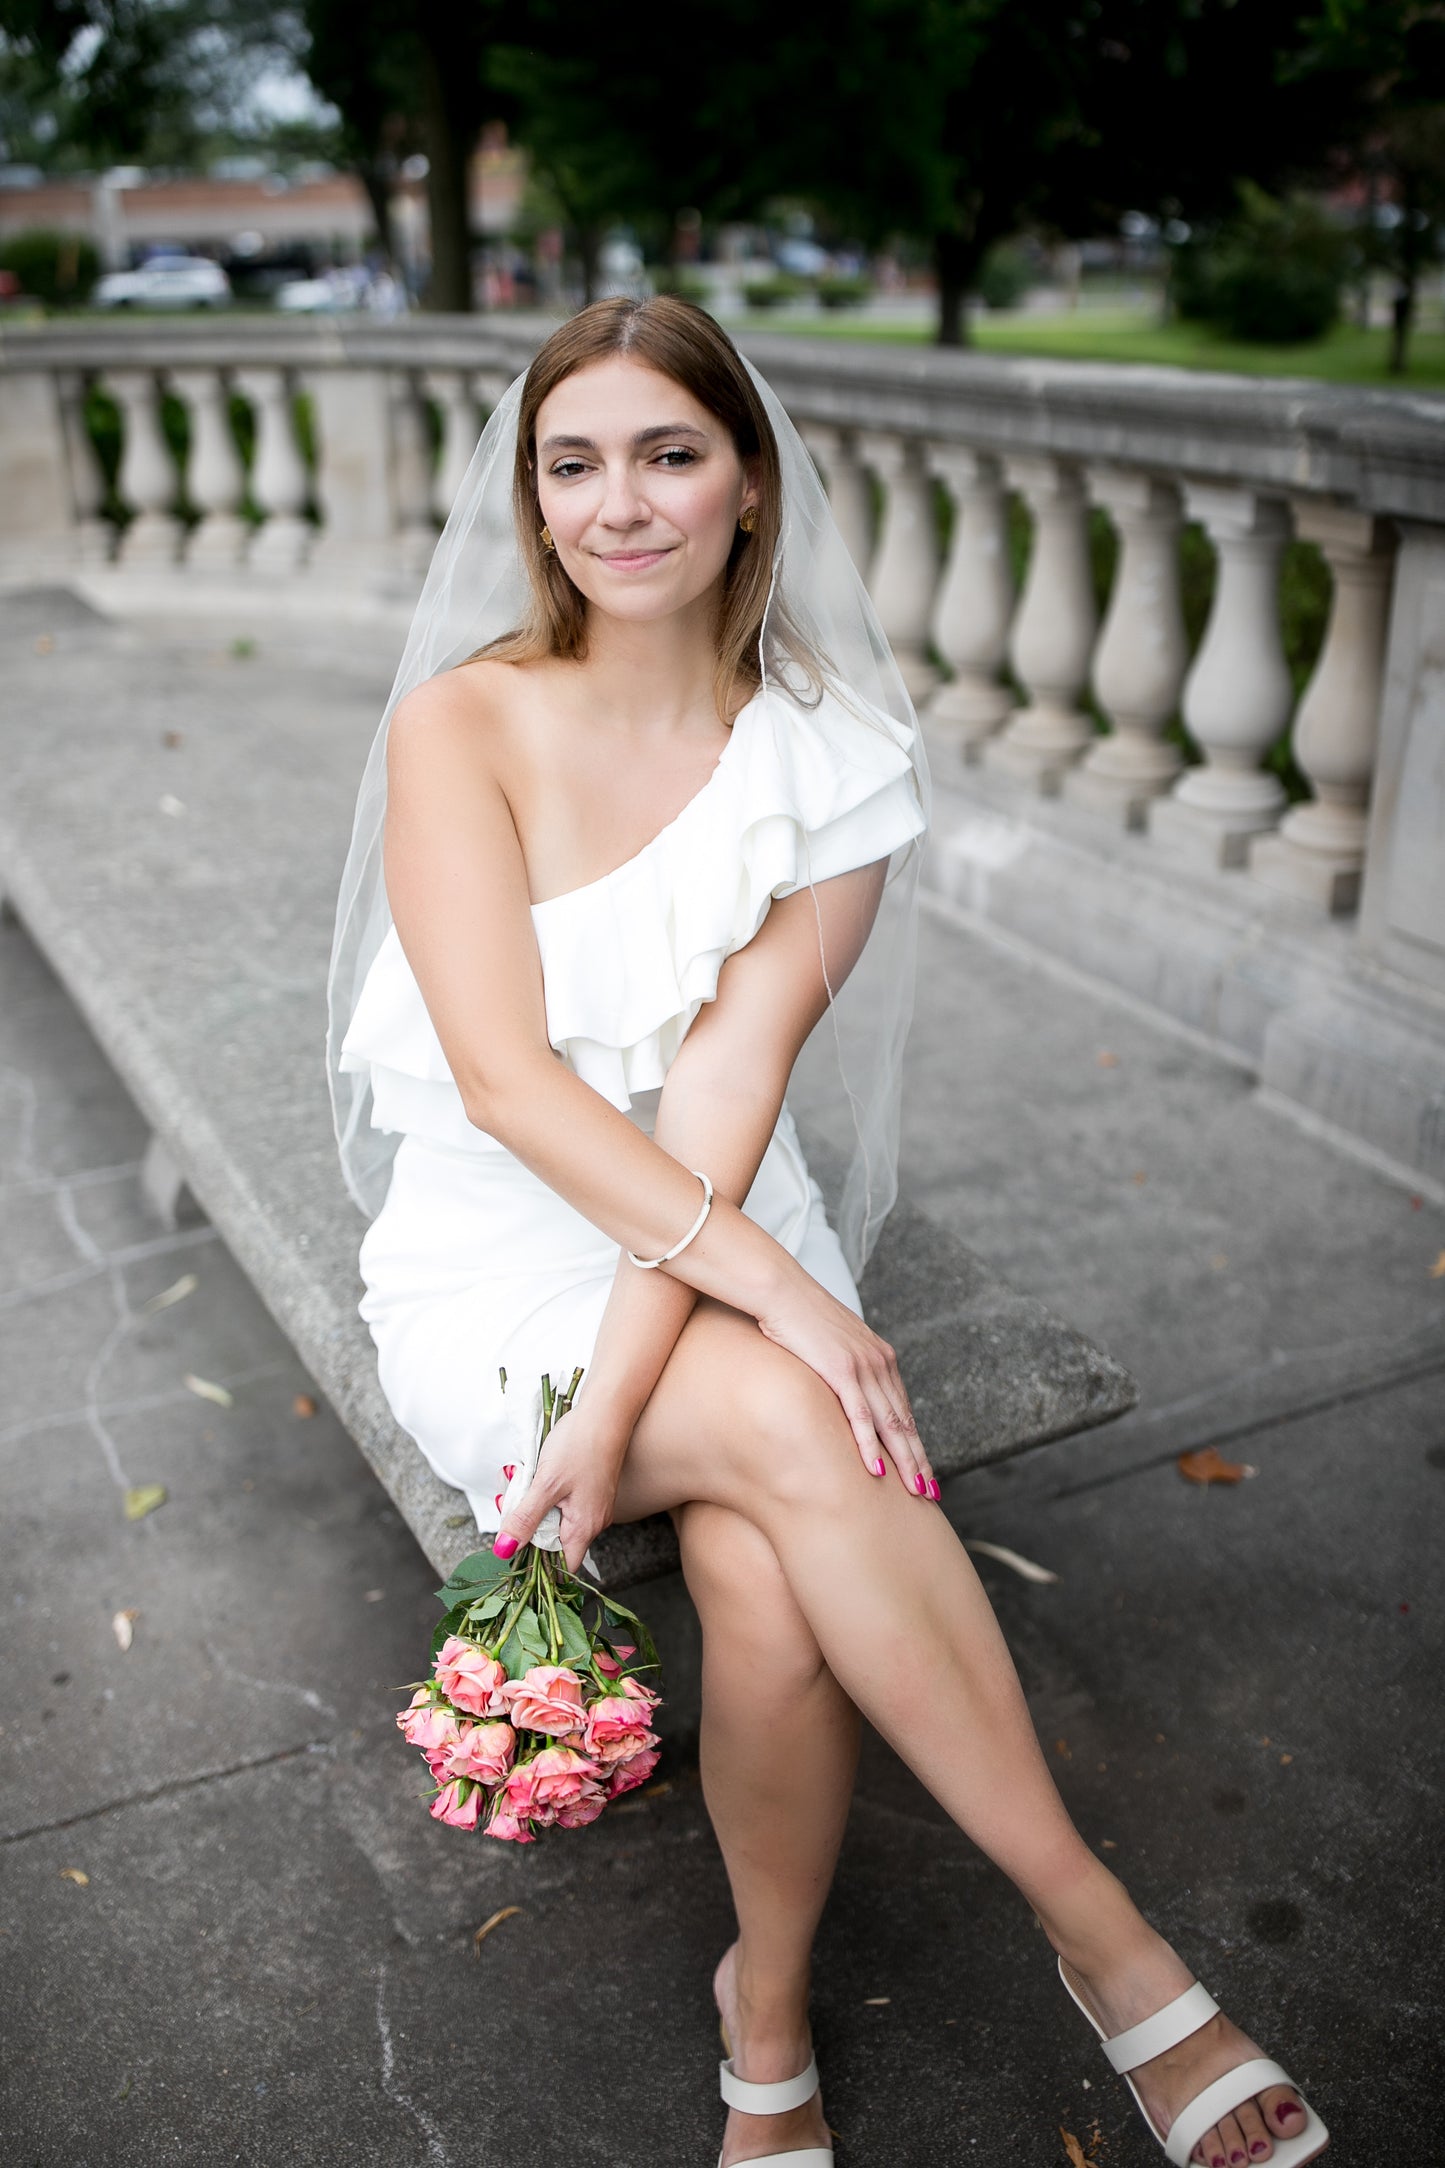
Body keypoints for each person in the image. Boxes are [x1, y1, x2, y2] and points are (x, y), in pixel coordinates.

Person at [326, 297, 1327, 2168]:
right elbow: (508, 1088)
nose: (619, 504)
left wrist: (625, 1410)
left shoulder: (831, 755)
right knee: (802, 1423)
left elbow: (723, 1087)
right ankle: (1108, 1951)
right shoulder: (461, 724)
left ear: (750, 484)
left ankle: (764, 2017)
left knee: (770, 1564)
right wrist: (769, 1310)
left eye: (667, 452)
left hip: (702, 1207)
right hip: (497, 1244)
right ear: (534, 503)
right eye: (574, 463)